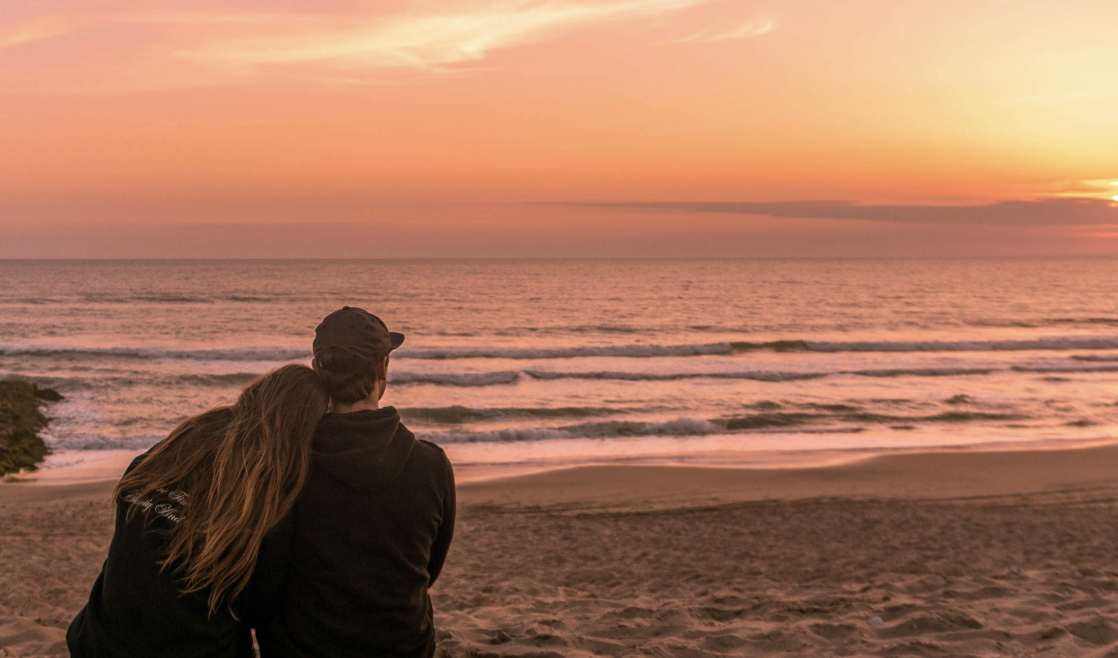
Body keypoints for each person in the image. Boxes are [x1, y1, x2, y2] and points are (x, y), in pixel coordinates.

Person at [67, 365, 329, 658]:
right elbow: (260, 609)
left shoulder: (172, 446)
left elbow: (127, 504)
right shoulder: (266, 496)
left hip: (96, 641)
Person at [258, 307, 456, 658]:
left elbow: (266, 585)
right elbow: (428, 570)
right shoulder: (432, 465)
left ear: (317, 369)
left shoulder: (287, 464)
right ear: (382, 367)